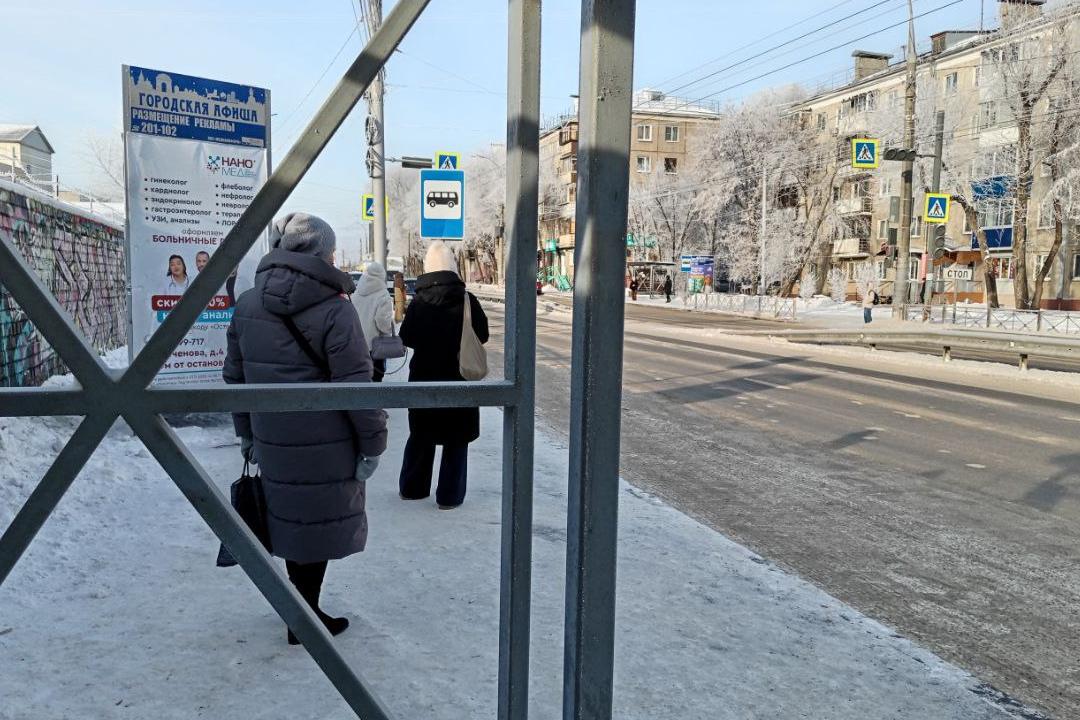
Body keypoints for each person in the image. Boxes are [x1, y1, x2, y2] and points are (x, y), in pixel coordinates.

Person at [223, 212, 387, 645]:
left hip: (272, 439)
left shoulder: (248, 304)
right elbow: (356, 386)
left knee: (293, 519)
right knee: (315, 523)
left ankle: (302, 611)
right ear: (320, 253)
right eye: (330, 250)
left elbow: (234, 377)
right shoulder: (335, 309)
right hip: (327, 443)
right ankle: (305, 616)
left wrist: (247, 433)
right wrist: (374, 443)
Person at [398, 241, 489, 510]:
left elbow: (407, 337)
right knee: (456, 438)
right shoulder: (467, 300)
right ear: (452, 267)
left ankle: (412, 489)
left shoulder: (419, 302)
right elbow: (483, 335)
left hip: (424, 377)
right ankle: (449, 497)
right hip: (459, 377)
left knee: (420, 434)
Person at [351, 260, 395, 382]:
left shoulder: (356, 294)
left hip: (357, 345)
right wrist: (390, 330)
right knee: (376, 379)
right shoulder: (383, 295)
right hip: (375, 346)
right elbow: (382, 322)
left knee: (360, 379)